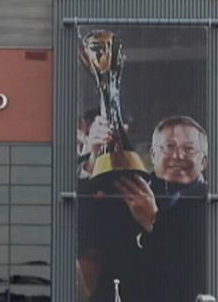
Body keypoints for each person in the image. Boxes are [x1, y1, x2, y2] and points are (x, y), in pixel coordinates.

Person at [78, 115, 208, 302]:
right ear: (153, 155)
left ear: (203, 161)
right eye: (169, 147)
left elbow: (190, 272)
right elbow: (81, 227)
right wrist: (93, 160)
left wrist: (153, 221)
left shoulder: (213, 206)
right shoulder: (131, 189)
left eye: (188, 149)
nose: (177, 156)